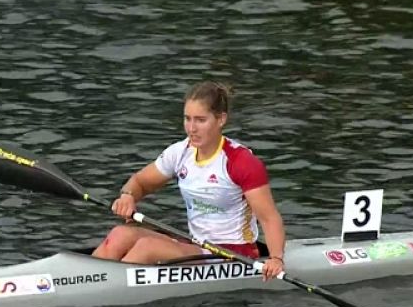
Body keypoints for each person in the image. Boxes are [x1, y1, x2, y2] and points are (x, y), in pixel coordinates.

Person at [92, 81, 286, 281]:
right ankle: (88, 282)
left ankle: (103, 290)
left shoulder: (241, 162)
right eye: (187, 119)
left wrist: (276, 259)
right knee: (119, 234)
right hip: (197, 245)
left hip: (233, 254)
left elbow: (269, 218)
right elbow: (140, 182)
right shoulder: (180, 152)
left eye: (200, 120)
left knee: (146, 247)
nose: (191, 128)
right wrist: (128, 196)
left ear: (221, 119)